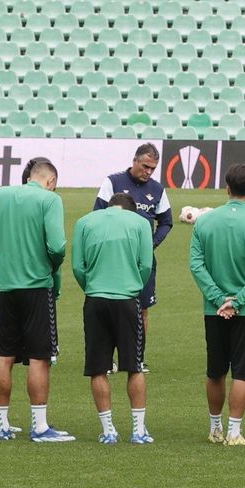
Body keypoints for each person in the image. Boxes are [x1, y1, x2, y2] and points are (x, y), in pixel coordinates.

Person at [0, 157, 69, 442]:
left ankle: (1, 424)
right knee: (39, 358)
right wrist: (50, 263)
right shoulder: (50, 200)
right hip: (37, 286)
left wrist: (8, 252)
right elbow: (56, 246)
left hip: (6, 287)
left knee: (3, 357)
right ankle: (40, 426)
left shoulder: (0, 195)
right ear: (50, 181)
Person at [190, 165, 245, 446]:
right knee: (242, 372)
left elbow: (196, 265)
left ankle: (215, 428)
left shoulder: (204, 222)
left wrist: (218, 298)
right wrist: (239, 299)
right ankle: (234, 432)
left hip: (214, 310)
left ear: (227, 188)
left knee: (216, 371)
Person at [74, 193, 154, 445]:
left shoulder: (85, 222)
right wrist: (132, 286)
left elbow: (78, 266)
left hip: (95, 299)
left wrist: (92, 287)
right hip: (128, 300)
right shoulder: (140, 223)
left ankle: (109, 430)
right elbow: (145, 265)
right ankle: (138, 431)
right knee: (134, 365)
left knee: (98, 367)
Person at [96, 143, 173, 341]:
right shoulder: (113, 182)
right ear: (134, 161)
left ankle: (138, 359)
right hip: (115, 257)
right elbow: (97, 216)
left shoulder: (157, 189)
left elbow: (166, 222)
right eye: (145, 166)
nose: (148, 172)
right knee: (112, 307)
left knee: (142, 309)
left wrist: (151, 244)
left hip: (143, 259)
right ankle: (109, 358)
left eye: (153, 168)